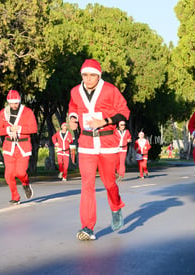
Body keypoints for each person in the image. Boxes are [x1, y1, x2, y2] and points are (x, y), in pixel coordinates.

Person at [68, 59, 130, 241]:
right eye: (85, 75)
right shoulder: (75, 91)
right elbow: (73, 107)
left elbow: (124, 111)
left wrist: (105, 121)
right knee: (87, 185)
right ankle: (87, 227)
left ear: (99, 76)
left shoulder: (110, 90)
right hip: (86, 143)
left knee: (109, 183)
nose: (88, 79)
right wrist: (72, 118)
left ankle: (116, 206)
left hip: (107, 143)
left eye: (92, 75)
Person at [0, 89, 37, 205]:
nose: (14, 105)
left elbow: (34, 128)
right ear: (8, 102)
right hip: (9, 147)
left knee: (20, 172)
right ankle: (15, 196)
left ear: (20, 101)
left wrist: (20, 129)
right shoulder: (3, 113)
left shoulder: (27, 112)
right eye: (12, 102)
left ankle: (25, 183)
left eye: (16, 102)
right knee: (8, 175)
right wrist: (8, 130)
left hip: (23, 147)